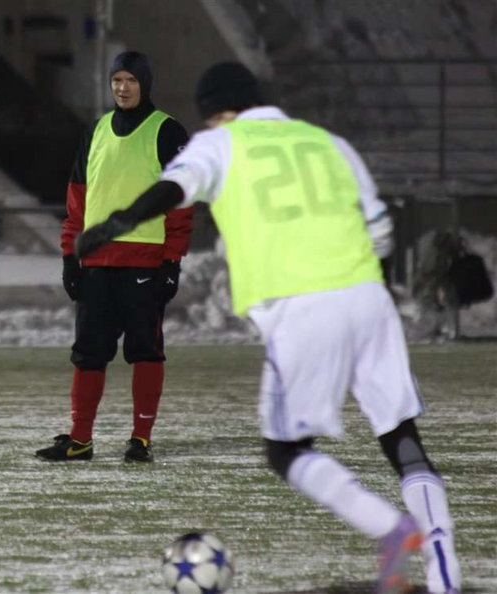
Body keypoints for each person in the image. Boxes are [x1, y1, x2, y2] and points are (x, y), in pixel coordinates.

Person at [76, 62, 461, 593]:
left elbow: (171, 189)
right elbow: (381, 232)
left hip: (300, 306)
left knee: (287, 450)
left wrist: (119, 222)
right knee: (402, 440)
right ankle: (446, 578)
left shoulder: (222, 142)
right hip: (367, 298)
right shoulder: (326, 142)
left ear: (215, 111)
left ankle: (390, 530)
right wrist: (373, 296)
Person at [35, 51, 193, 463]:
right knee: (88, 353)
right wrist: (71, 256)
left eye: (130, 80)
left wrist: (172, 260)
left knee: (145, 351)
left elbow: (181, 201)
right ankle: (80, 439)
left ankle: (140, 439)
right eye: (117, 80)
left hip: (145, 264)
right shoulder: (96, 131)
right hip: (96, 264)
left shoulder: (168, 131)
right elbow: (77, 201)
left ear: (145, 84)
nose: (122, 88)